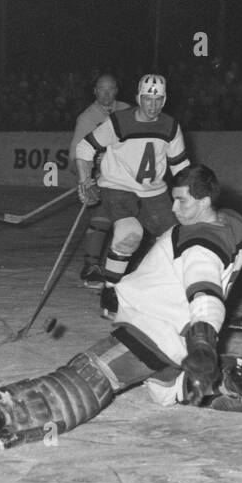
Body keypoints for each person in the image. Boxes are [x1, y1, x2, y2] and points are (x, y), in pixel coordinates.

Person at [0, 164, 242, 449]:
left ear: (203, 201)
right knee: (163, 391)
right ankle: (193, 381)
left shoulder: (198, 244)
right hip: (179, 343)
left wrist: (203, 345)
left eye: (181, 201)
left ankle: (11, 413)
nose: (172, 209)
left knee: (90, 377)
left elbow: (206, 296)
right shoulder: (236, 223)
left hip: (149, 333)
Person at [74, 73, 186, 319]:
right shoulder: (119, 122)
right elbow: (84, 148)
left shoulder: (170, 126)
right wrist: (85, 179)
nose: (153, 105)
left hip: (154, 192)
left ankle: (147, 289)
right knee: (129, 233)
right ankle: (111, 290)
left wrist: (192, 195)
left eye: (158, 100)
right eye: (148, 99)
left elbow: (180, 166)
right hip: (118, 187)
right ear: (139, 98)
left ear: (165, 100)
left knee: (174, 242)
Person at [71, 72, 129, 288]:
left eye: (111, 88)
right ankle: (92, 264)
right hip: (102, 178)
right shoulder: (86, 118)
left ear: (117, 90)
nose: (107, 94)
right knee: (102, 216)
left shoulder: (128, 111)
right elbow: (75, 153)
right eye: (102, 89)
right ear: (95, 91)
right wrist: (87, 177)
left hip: (128, 178)